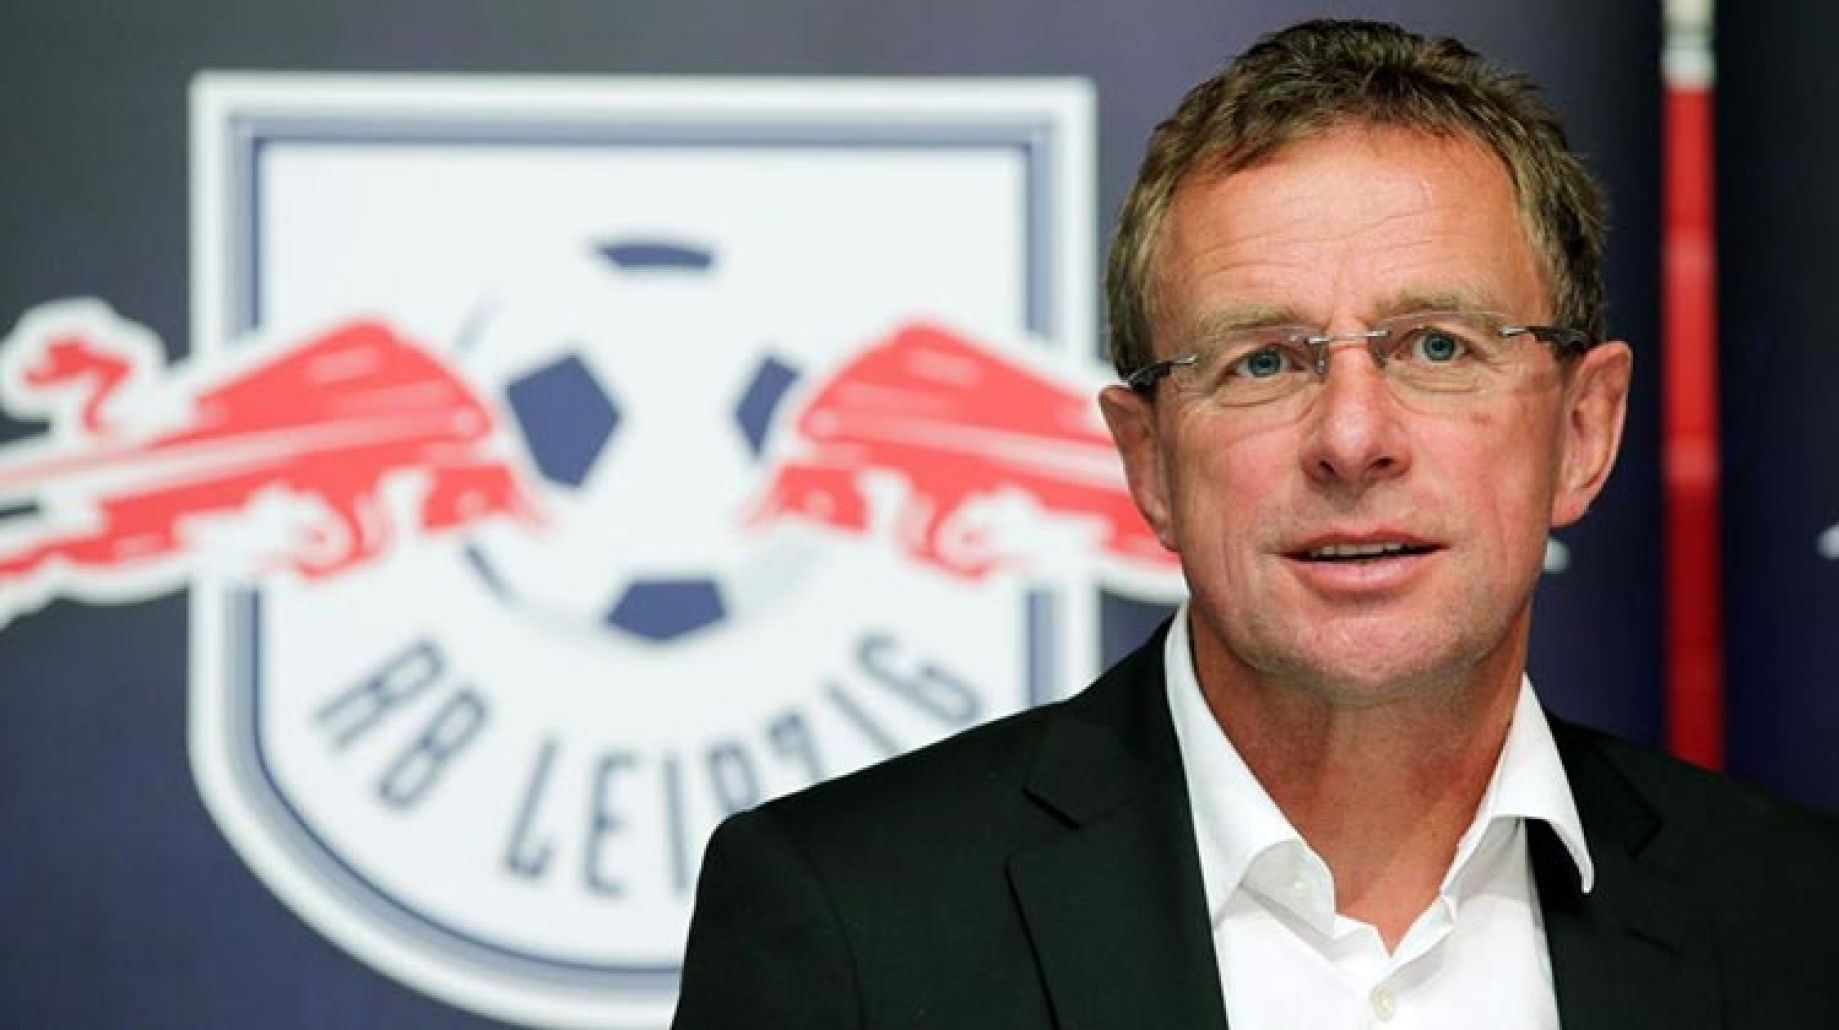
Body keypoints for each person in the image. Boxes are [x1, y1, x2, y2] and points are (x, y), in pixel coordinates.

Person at [673, 19, 1838, 1029]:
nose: (1352, 437)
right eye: (1263, 361)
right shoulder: (852, 922)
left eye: (1438, 346)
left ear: (1583, 430)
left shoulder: (1795, 916)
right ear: (1149, 461)